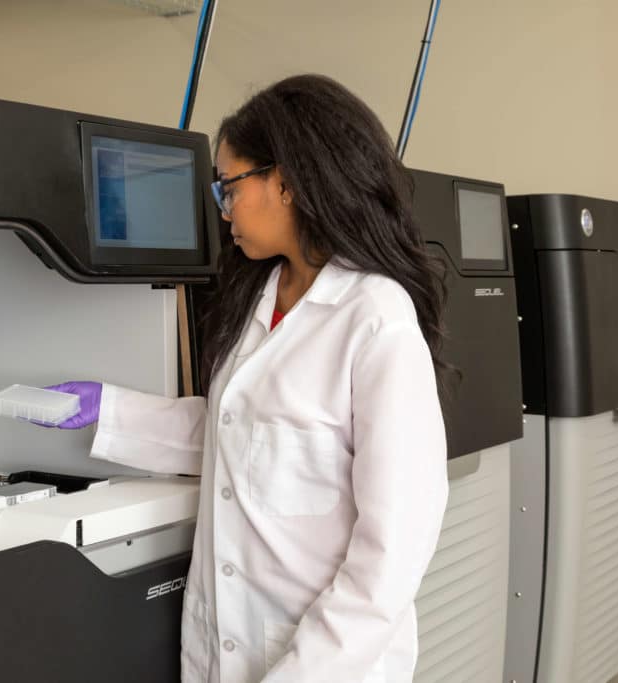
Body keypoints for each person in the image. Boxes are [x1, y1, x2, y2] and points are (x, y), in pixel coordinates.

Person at [45, 74, 449, 683]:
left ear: (287, 182)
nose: (223, 207)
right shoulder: (260, 295)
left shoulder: (374, 319)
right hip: (225, 648)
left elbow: (393, 550)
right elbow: (238, 431)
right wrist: (111, 411)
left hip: (323, 661)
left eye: (229, 185)